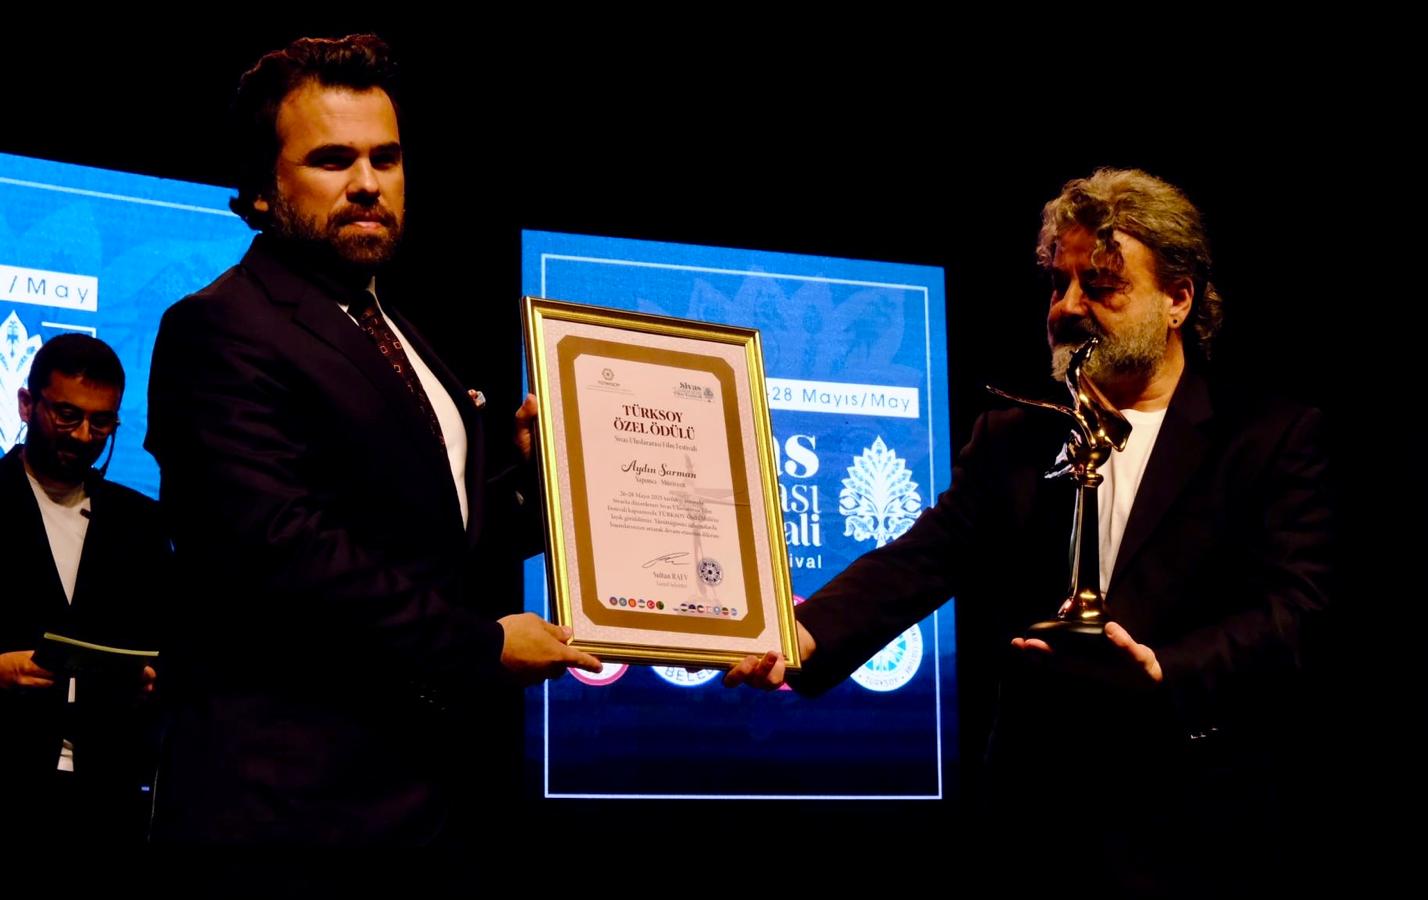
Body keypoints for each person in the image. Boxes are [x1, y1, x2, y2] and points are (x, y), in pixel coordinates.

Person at [726, 168, 1334, 893]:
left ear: (1177, 299)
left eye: (1101, 286)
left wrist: (1165, 669)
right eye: (1058, 284)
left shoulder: (1267, 437)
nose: (1068, 307)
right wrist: (802, 633)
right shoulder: (1012, 437)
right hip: (1033, 830)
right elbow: (922, 559)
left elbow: (1296, 611)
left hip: (1197, 829)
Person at [144, 33, 599, 846]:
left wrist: (535, 488)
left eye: (385, 158)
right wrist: (482, 646)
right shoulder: (218, 328)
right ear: (262, 187)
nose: (366, 183)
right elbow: (283, 551)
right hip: (283, 812)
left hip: (421, 798)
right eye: (332, 160)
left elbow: (429, 541)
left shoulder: (400, 332)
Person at [1, 333, 166, 845]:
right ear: (27, 404)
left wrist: (152, 679)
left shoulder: (140, 523)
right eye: (67, 416)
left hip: (108, 794)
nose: (82, 436)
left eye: (101, 423)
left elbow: (172, 641)